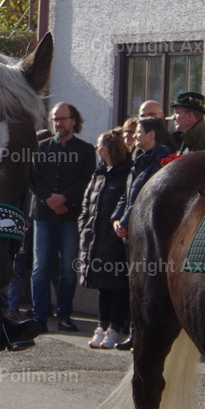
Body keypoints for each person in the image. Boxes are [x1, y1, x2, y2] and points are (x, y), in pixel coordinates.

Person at [26, 102, 97, 333]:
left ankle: (65, 315)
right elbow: (33, 178)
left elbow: (87, 181)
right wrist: (49, 199)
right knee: (40, 267)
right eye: (55, 119)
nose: (59, 123)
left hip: (70, 216)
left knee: (68, 268)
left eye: (63, 119)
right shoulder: (41, 147)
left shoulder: (85, 150)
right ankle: (39, 315)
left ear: (74, 121)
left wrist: (65, 199)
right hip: (44, 215)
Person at [79, 130, 134, 349]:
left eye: (100, 145)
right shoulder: (100, 173)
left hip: (114, 241)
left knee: (117, 286)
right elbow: (87, 203)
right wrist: (84, 226)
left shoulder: (124, 173)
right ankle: (101, 325)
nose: (97, 149)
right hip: (95, 238)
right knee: (102, 286)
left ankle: (115, 328)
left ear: (109, 148)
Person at [112, 116, 174, 242]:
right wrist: (116, 219)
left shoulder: (161, 164)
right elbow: (127, 194)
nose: (134, 136)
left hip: (147, 233)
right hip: (132, 230)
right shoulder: (138, 161)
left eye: (139, 132)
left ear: (151, 135)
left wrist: (124, 223)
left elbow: (145, 197)